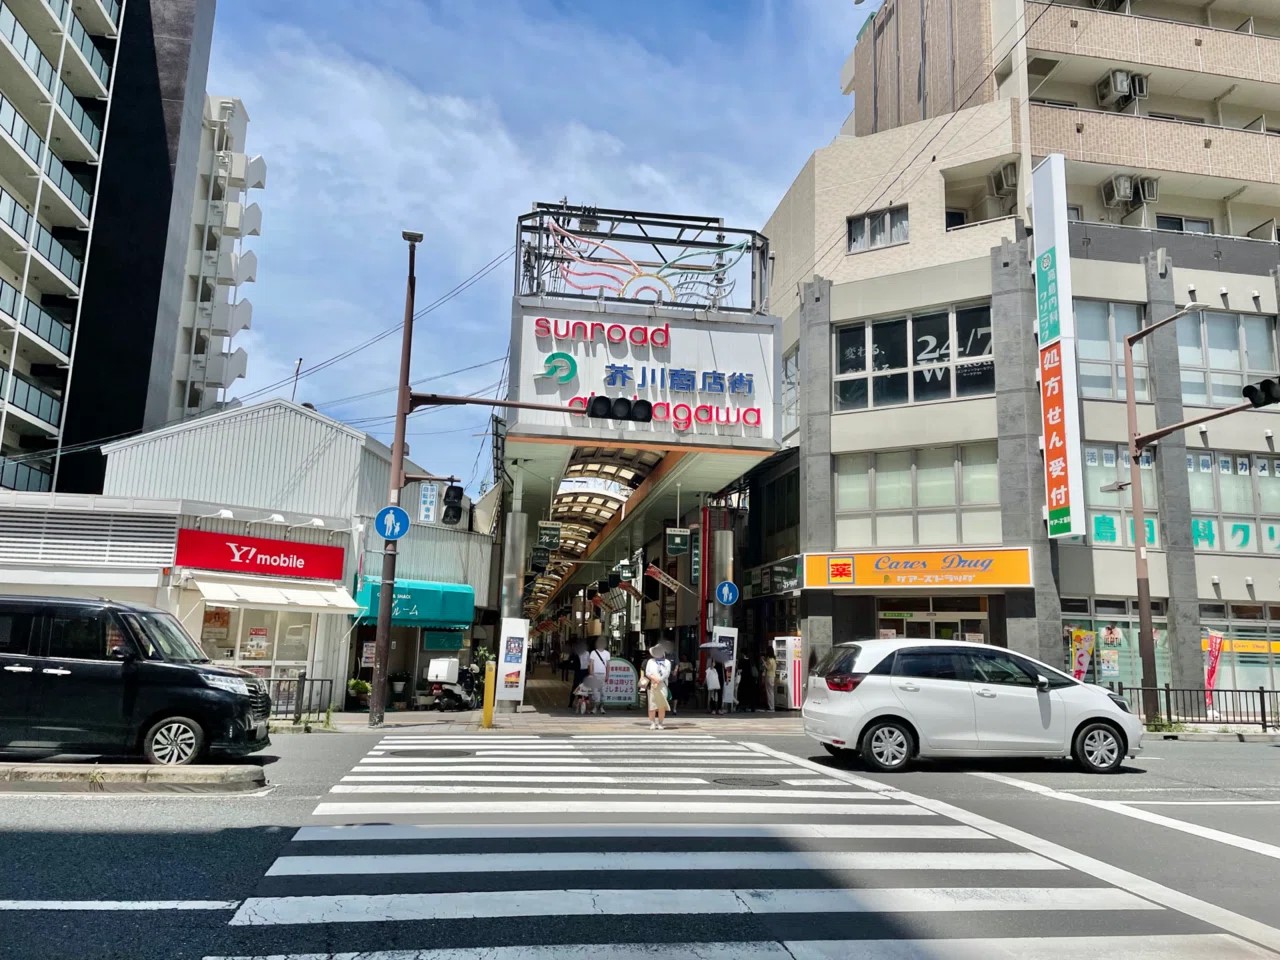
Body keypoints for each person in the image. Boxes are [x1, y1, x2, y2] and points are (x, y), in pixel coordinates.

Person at [644, 642, 673, 730]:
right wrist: (655, 680)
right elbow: (647, 672)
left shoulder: (667, 662)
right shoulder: (650, 661)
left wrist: (659, 680)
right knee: (652, 705)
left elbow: (666, 674)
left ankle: (660, 723)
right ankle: (652, 723)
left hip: (662, 685)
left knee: (661, 705)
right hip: (652, 685)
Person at [586, 637, 610, 714]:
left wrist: (607, 676)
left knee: (603, 692)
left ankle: (602, 707)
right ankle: (595, 707)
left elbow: (608, 665)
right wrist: (591, 674)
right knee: (595, 692)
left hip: (603, 675)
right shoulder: (593, 653)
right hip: (595, 674)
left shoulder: (607, 653)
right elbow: (591, 664)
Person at [566, 642, 590, 709]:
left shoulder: (587, 653)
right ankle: (571, 702)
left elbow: (589, 663)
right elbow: (570, 660)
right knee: (575, 686)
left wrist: (590, 673)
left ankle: (584, 702)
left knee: (585, 687)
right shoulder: (576, 653)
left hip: (585, 671)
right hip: (578, 671)